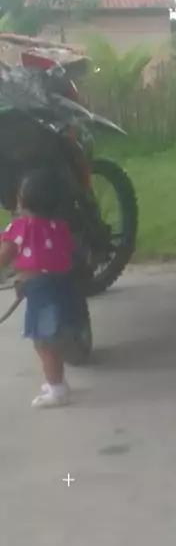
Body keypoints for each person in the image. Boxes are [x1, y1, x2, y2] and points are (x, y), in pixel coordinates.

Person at [0, 168, 79, 408]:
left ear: (22, 200)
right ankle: (57, 382)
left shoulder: (20, 227)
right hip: (63, 288)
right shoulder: (60, 227)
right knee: (52, 340)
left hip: (41, 292)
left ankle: (57, 389)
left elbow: (4, 256)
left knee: (43, 342)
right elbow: (69, 255)